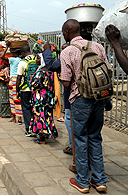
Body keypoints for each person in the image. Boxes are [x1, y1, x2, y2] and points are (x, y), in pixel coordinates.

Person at [60, 19, 108, 193]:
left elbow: (66, 83)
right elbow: (107, 71)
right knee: (95, 137)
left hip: (80, 100)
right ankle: (100, 180)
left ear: (66, 33)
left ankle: (83, 181)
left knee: (80, 140)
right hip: (99, 98)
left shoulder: (68, 52)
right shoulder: (98, 47)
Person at [42, 42, 72, 154]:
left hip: (74, 96)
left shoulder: (69, 56)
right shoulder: (94, 49)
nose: (64, 51)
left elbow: (51, 65)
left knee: (71, 122)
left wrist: (47, 50)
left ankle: (73, 146)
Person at [28, 54, 58, 144]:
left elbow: (35, 85)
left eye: (38, 58)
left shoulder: (40, 72)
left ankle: (41, 139)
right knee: (47, 116)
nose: (36, 60)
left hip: (40, 99)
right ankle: (46, 134)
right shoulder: (51, 72)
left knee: (40, 117)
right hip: (48, 98)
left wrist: (31, 78)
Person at [0, 41, 23, 125]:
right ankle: (19, 117)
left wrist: (6, 47)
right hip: (19, 79)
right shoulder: (21, 59)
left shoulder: (13, 59)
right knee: (18, 98)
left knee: (13, 99)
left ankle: (14, 118)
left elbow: (2, 57)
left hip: (13, 80)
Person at [16, 45, 35, 136]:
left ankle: (29, 130)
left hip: (25, 89)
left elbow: (19, 77)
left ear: (23, 53)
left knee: (26, 109)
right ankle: (36, 127)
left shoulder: (22, 62)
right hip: (36, 88)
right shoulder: (37, 59)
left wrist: (17, 90)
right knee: (34, 108)